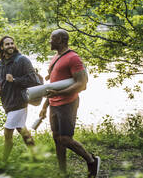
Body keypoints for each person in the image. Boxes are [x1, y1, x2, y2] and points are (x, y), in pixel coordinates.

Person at [39, 29, 100, 177]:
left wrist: (59, 93)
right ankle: (62, 172)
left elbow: (82, 84)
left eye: (52, 39)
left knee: (65, 138)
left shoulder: (73, 58)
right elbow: (54, 84)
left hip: (67, 104)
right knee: (57, 138)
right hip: (53, 103)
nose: (49, 41)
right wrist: (45, 106)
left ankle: (92, 160)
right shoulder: (56, 57)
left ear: (61, 40)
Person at [0, 35, 37, 162]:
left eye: (12, 43)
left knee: (7, 133)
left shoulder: (22, 60)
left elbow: (33, 80)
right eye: (7, 44)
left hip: (20, 102)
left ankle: (3, 162)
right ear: (2, 47)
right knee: (22, 131)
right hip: (7, 103)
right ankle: (36, 157)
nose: (10, 46)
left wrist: (15, 80)